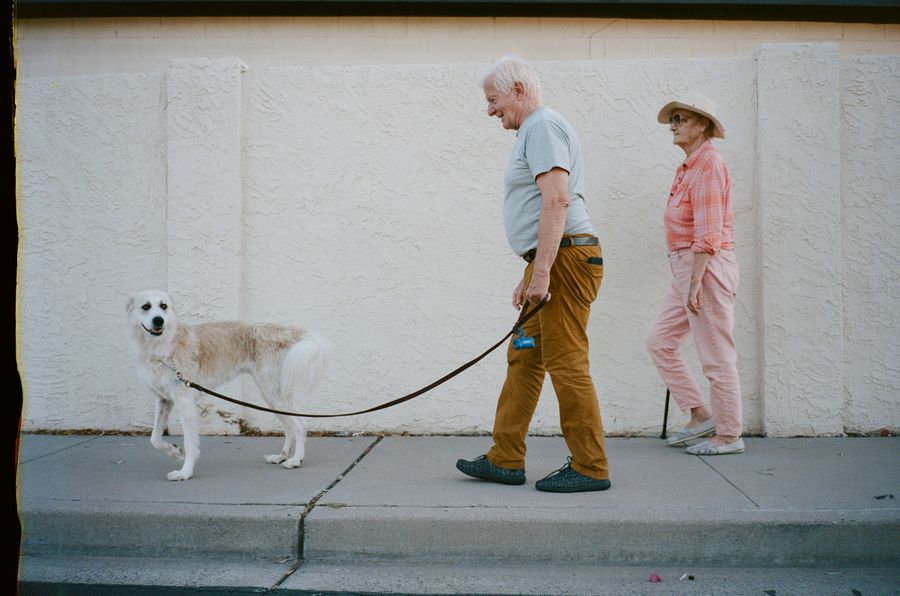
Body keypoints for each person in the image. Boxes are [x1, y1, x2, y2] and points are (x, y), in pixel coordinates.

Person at [456, 55, 610, 492]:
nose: (489, 110)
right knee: (524, 357)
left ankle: (590, 466)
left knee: (566, 362)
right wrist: (532, 269)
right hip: (551, 259)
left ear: (518, 90)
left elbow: (556, 199)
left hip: (564, 260)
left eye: (493, 100)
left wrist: (542, 271)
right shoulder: (534, 129)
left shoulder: (541, 126)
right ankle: (505, 458)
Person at [646, 92, 744, 455]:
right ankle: (701, 415)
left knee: (716, 354)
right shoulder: (688, 166)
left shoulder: (709, 165)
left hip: (705, 266)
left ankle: (729, 435)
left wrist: (696, 280)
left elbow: (708, 232)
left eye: (681, 119)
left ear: (702, 125)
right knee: (660, 341)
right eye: (673, 120)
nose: (674, 126)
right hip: (687, 267)